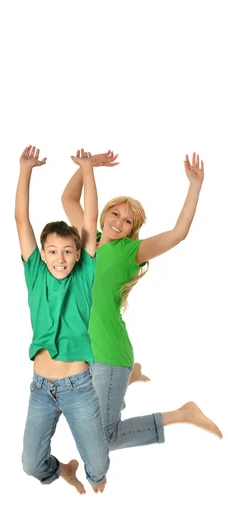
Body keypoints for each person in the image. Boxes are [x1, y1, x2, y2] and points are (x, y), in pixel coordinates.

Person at [62, 152, 222, 450]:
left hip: (108, 351)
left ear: (131, 230)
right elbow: (69, 199)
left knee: (103, 438)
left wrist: (195, 185)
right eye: (115, 214)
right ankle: (129, 378)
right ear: (104, 212)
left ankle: (182, 413)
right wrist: (90, 165)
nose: (119, 222)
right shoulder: (88, 239)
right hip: (86, 351)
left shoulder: (129, 251)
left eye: (127, 221)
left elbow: (177, 235)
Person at [16, 145, 109, 495]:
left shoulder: (83, 275)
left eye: (68, 251)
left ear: (77, 254)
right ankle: (60, 470)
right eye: (53, 251)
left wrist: (88, 170)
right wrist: (25, 170)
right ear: (42, 254)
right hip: (41, 387)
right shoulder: (35, 274)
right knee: (30, 464)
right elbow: (21, 220)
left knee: (98, 469)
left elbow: (88, 222)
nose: (60, 258)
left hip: (78, 387)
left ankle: (93, 478)